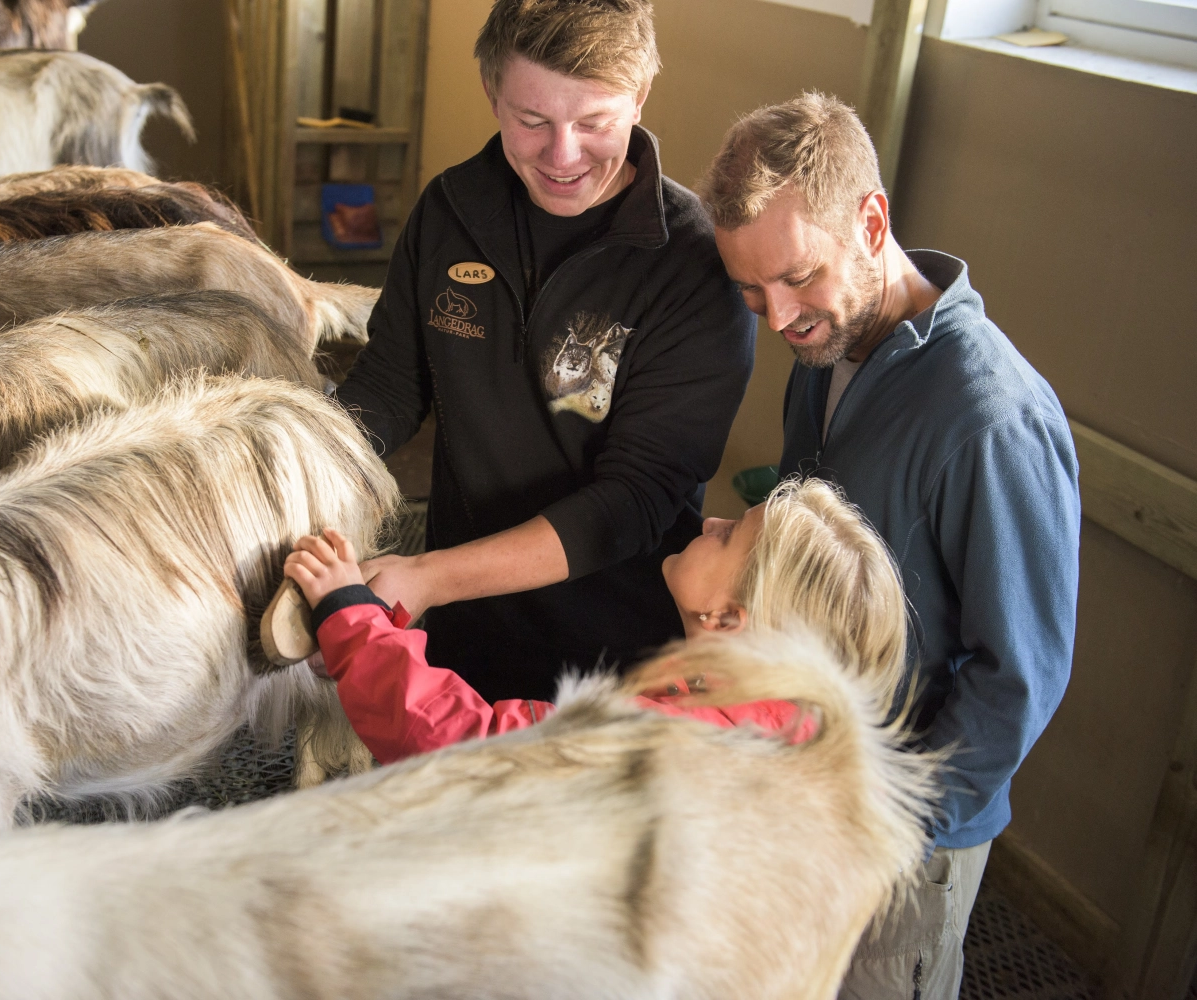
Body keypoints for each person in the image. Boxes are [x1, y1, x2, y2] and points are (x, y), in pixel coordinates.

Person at [700, 93, 1081, 999]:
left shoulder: (994, 419)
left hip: (898, 840)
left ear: (871, 221)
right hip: (806, 789)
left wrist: (887, 827)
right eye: (751, 292)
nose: (778, 317)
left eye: (798, 277)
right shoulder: (823, 356)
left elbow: (1018, 676)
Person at [335, 0, 755, 704]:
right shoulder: (451, 210)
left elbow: (633, 500)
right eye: (531, 120)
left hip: (614, 660)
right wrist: (289, 471)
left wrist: (430, 576)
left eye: (594, 123)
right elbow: (387, 387)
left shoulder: (691, 265)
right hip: (463, 639)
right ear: (492, 93)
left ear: (640, 96)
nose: (562, 157)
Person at [284, 478, 904, 765]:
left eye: (729, 535)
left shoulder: (664, 744)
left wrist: (351, 618)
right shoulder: (779, 737)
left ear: (725, 617)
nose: (712, 521)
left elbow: (471, 747)